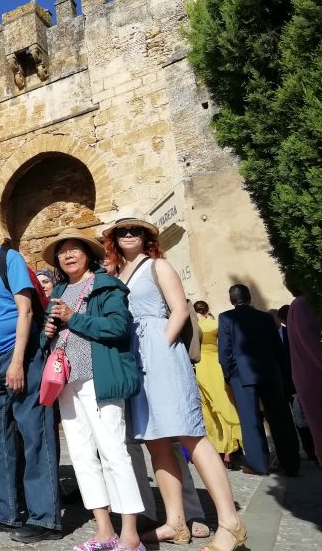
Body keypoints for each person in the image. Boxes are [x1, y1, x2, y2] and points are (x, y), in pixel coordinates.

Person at [104, 218, 245, 551]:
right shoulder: (119, 274)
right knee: (155, 441)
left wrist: (163, 345)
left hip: (160, 354)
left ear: (146, 237)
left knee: (190, 434)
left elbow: (179, 310)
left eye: (135, 230)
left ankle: (231, 523)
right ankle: (175, 522)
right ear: (114, 239)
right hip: (135, 360)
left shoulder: (158, 265)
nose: (128, 235)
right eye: (122, 231)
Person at [0, 201, 63, 543]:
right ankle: (2, 511)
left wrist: (18, 362)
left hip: (20, 357)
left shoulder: (10, 259)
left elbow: (26, 311)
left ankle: (45, 518)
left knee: (34, 435)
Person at [41, 228, 143, 551]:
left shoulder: (106, 286)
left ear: (88, 254)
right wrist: (47, 332)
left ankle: (131, 535)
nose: (68, 255)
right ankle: (104, 531)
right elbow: (52, 335)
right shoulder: (59, 291)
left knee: (113, 452)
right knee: (82, 456)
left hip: (99, 379)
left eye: (74, 249)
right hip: (67, 384)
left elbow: (118, 327)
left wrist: (74, 318)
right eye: (62, 251)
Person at [218, 284, 300, 477]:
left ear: (232, 300)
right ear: (249, 298)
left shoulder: (226, 318)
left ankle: (259, 465)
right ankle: (290, 464)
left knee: (250, 421)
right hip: (270, 373)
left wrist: (229, 375)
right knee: (281, 419)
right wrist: (281, 370)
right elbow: (277, 346)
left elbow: (225, 351)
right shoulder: (265, 317)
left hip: (241, 375)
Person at [286, 291, 322, 521]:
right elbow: (317, 349)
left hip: (317, 380)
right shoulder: (302, 305)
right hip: (320, 382)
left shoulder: (301, 305)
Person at [193, 300, 242, 466]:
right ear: (207, 310)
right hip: (215, 364)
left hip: (200, 367)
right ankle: (231, 446)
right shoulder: (214, 324)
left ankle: (216, 446)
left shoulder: (193, 327)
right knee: (224, 404)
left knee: (208, 408)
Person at [276, 304, 316, 462]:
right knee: (300, 418)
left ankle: (310, 450)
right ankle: (309, 450)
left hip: (292, 381)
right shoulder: (288, 333)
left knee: (301, 418)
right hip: (289, 382)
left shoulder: (287, 333)